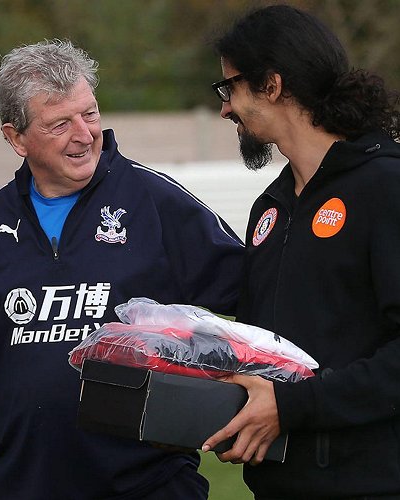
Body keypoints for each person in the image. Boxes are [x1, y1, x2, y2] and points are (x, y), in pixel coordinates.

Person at [0, 39, 243, 499]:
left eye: (91, 114)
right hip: (23, 486)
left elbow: (258, 295)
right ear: (15, 138)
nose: (84, 134)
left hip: (149, 486)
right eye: (60, 123)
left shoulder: (157, 204)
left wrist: (289, 393)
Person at [201, 4, 400, 499]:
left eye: (230, 87)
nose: (225, 107)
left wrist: (292, 406)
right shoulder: (269, 208)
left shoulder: (386, 188)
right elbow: (269, 353)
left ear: (271, 84)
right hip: (279, 485)